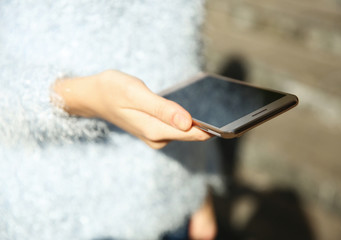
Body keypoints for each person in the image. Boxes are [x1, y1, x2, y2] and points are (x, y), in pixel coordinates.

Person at [0, 1, 222, 239]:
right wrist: (86, 98)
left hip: (174, 202)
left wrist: (201, 189)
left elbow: (188, 75)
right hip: (66, 216)